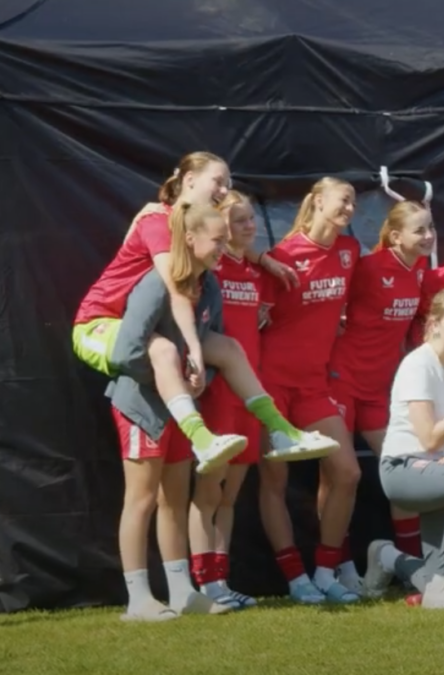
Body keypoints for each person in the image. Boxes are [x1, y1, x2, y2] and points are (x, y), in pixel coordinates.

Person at [76, 203, 332, 620]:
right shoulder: (156, 284)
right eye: (217, 240)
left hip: (182, 409)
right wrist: (170, 368)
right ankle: (138, 598)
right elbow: (126, 352)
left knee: (174, 499)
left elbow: (208, 355)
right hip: (140, 404)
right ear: (189, 240)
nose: (223, 247)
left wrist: (198, 381)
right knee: (140, 500)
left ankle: (181, 591)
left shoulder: (209, 286)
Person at [94, 152, 297, 396]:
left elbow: (227, 245)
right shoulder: (158, 220)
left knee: (227, 351)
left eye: (227, 185)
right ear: (190, 179)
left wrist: (263, 259)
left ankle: (280, 431)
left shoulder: (192, 227)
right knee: (161, 360)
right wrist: (194, 349)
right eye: (218, 182)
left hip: (160, 326)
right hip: (108, 321)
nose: (223, 190)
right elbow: (175, 288)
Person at [255, 177, 366, 604]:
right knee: (274, 481)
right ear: (318, 202)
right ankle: (295, 578)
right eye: (344, 200)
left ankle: (325, 571)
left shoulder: (350, 251)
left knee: (348, 473)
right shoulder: (283, 256)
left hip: (314, 385)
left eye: (355, 202)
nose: (350, 209)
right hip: (270, 386)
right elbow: (256, 320)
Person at [361, 288, 444, 610]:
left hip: (443, 468)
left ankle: (386, 556)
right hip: (403, 469)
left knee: (434, 575)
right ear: (435, 324)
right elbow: (429, 440)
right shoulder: (417, 364)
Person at [329, 200, 435, 562]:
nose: (429, 236)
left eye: (431, 228)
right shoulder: (369, 267)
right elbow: (329, 303)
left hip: (379, 391)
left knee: (403, 471)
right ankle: (335, 565)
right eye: (420, 230)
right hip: (342, 381)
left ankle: (411, 562)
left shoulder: (420, 268)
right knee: (339, 476)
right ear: (395, 236)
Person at [188, 191, 268, 609]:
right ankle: (205, 585)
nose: (249, 226)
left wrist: (264, 262)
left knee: (230, 496)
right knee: (208, 491)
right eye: (239, 221)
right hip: (219, 392)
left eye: (251, 219)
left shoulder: (255, 271)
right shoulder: (211, 271)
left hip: (250, 397)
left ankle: (222, 579)